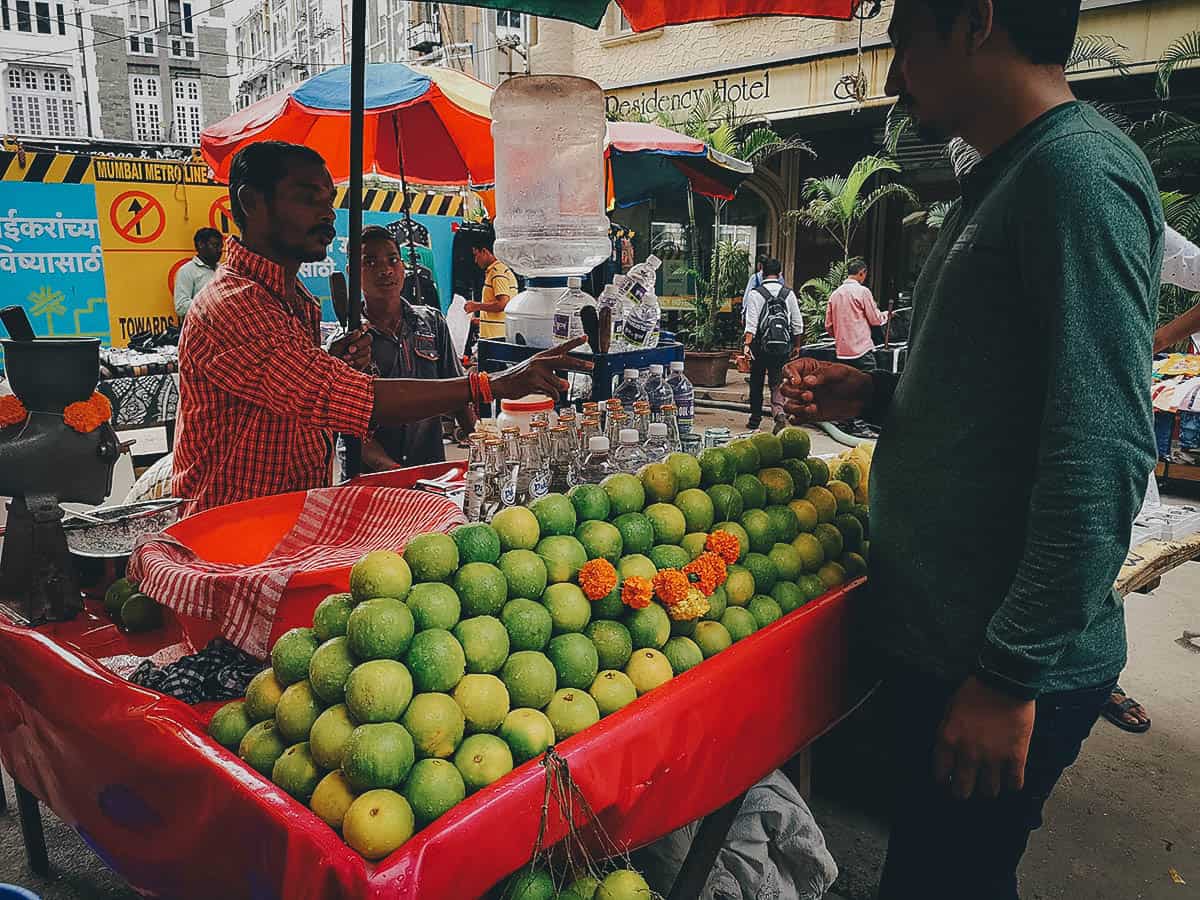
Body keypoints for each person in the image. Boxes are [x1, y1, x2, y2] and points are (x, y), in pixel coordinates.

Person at [781, 0, 1161, 895]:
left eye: (904, 43)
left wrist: (1007, 677)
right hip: (949, 647)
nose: (894, 77)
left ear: (975, 22)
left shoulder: (1076, 179)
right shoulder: (1005, 176)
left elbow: (1100, 449)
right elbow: (1005, 402)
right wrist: (876, 393)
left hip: (992, 662)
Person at [173, 141, 587, 513]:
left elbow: (299, 394)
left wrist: (327, 363)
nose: (326, 213)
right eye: (307, 198)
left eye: (328, 199)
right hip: (233, 528)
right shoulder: (236, 305)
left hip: (293, 512)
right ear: (252, 203)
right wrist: (492, 385)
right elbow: (351, 400)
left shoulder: (295, 299)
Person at [1102, 224, 1200, 734]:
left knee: (1105, 565)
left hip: (1107, 415)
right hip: (1014, 421)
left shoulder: (1131, 214)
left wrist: (1160, 337)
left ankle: (1100, 678)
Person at [356, 224, 476, 471]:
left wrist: (483, 443)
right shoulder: (350, 343)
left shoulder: (432, 323)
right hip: (373, 482)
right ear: (352, 272)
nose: (385, 270)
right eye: (370, 262)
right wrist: (399, 475)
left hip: (431, 472)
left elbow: (458, 394)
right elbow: (354, 434)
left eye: (392, 260)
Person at [741, 258, 804, 433]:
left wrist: (747, 346)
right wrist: (797, 345)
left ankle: (755, 419)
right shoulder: (788, 294)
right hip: (782, 346)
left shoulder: (756, 293)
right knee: (777, 381)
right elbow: (797, 324)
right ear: (780, 274)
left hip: (760, 346)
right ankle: (779, 413)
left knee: (756, 381)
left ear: (761, 273)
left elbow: (751, 325)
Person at [824, 257, 888, 372]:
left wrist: (841, 337)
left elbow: (828, 325)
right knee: (869, 384)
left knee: (846, 388)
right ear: (862, 273)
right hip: (862, 351)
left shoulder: (835, 294)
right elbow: (875, 320)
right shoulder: (863, 292)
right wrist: (886, 315)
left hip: (842, 353)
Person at [464, 231, 518, 344]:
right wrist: (481, 320)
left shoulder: (497, 272)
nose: (475, 260)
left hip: (496, 338)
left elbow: (503, 304)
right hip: (497, 335)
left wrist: (475, 306)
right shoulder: (499, 270)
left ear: (484, 251)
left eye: (476, 254)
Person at [174, 227, 223, 318]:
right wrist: (211, 306)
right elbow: (181, 307)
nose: (219, 250)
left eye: (221, 246)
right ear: (201, 244)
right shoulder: (187, 271)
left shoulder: (224, 270)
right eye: (215, 245)